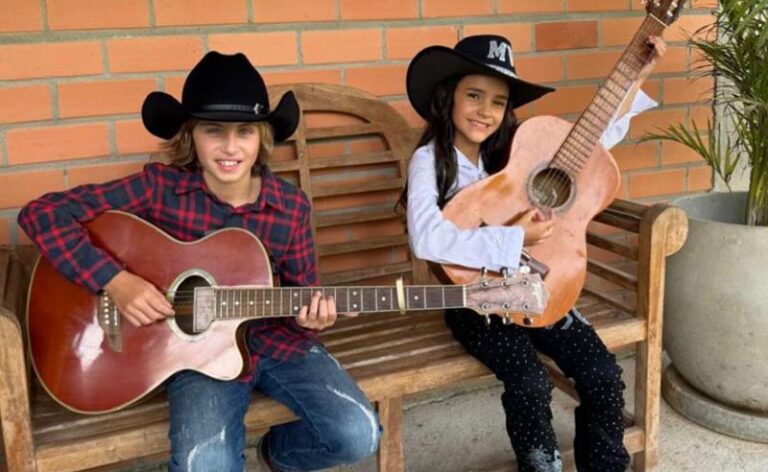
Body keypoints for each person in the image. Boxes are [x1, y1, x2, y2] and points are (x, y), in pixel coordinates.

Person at [18, 51, 380, 472]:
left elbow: (303, 296)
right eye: (213, 131)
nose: (230, 147)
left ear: (262, 138)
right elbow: (41, 213)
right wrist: (115, 281)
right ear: (191, 136)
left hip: (276, 343)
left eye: (245, 131)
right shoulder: (160, 189)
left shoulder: (290, 207)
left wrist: (312, 318)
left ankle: (278, 455)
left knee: (357, 434)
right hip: (196, 356)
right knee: (204, 466)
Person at [399, 35, 666, 471]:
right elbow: (427, 239)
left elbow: (592, 144)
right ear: (448, 97)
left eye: (498, 102)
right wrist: (513, 238)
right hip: (474, 302)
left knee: (601, 372)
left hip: (541, 286)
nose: (485, 111)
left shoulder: (515, 148)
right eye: (474, 95)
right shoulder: (430, 160)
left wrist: (637, 73)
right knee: (530, 382)